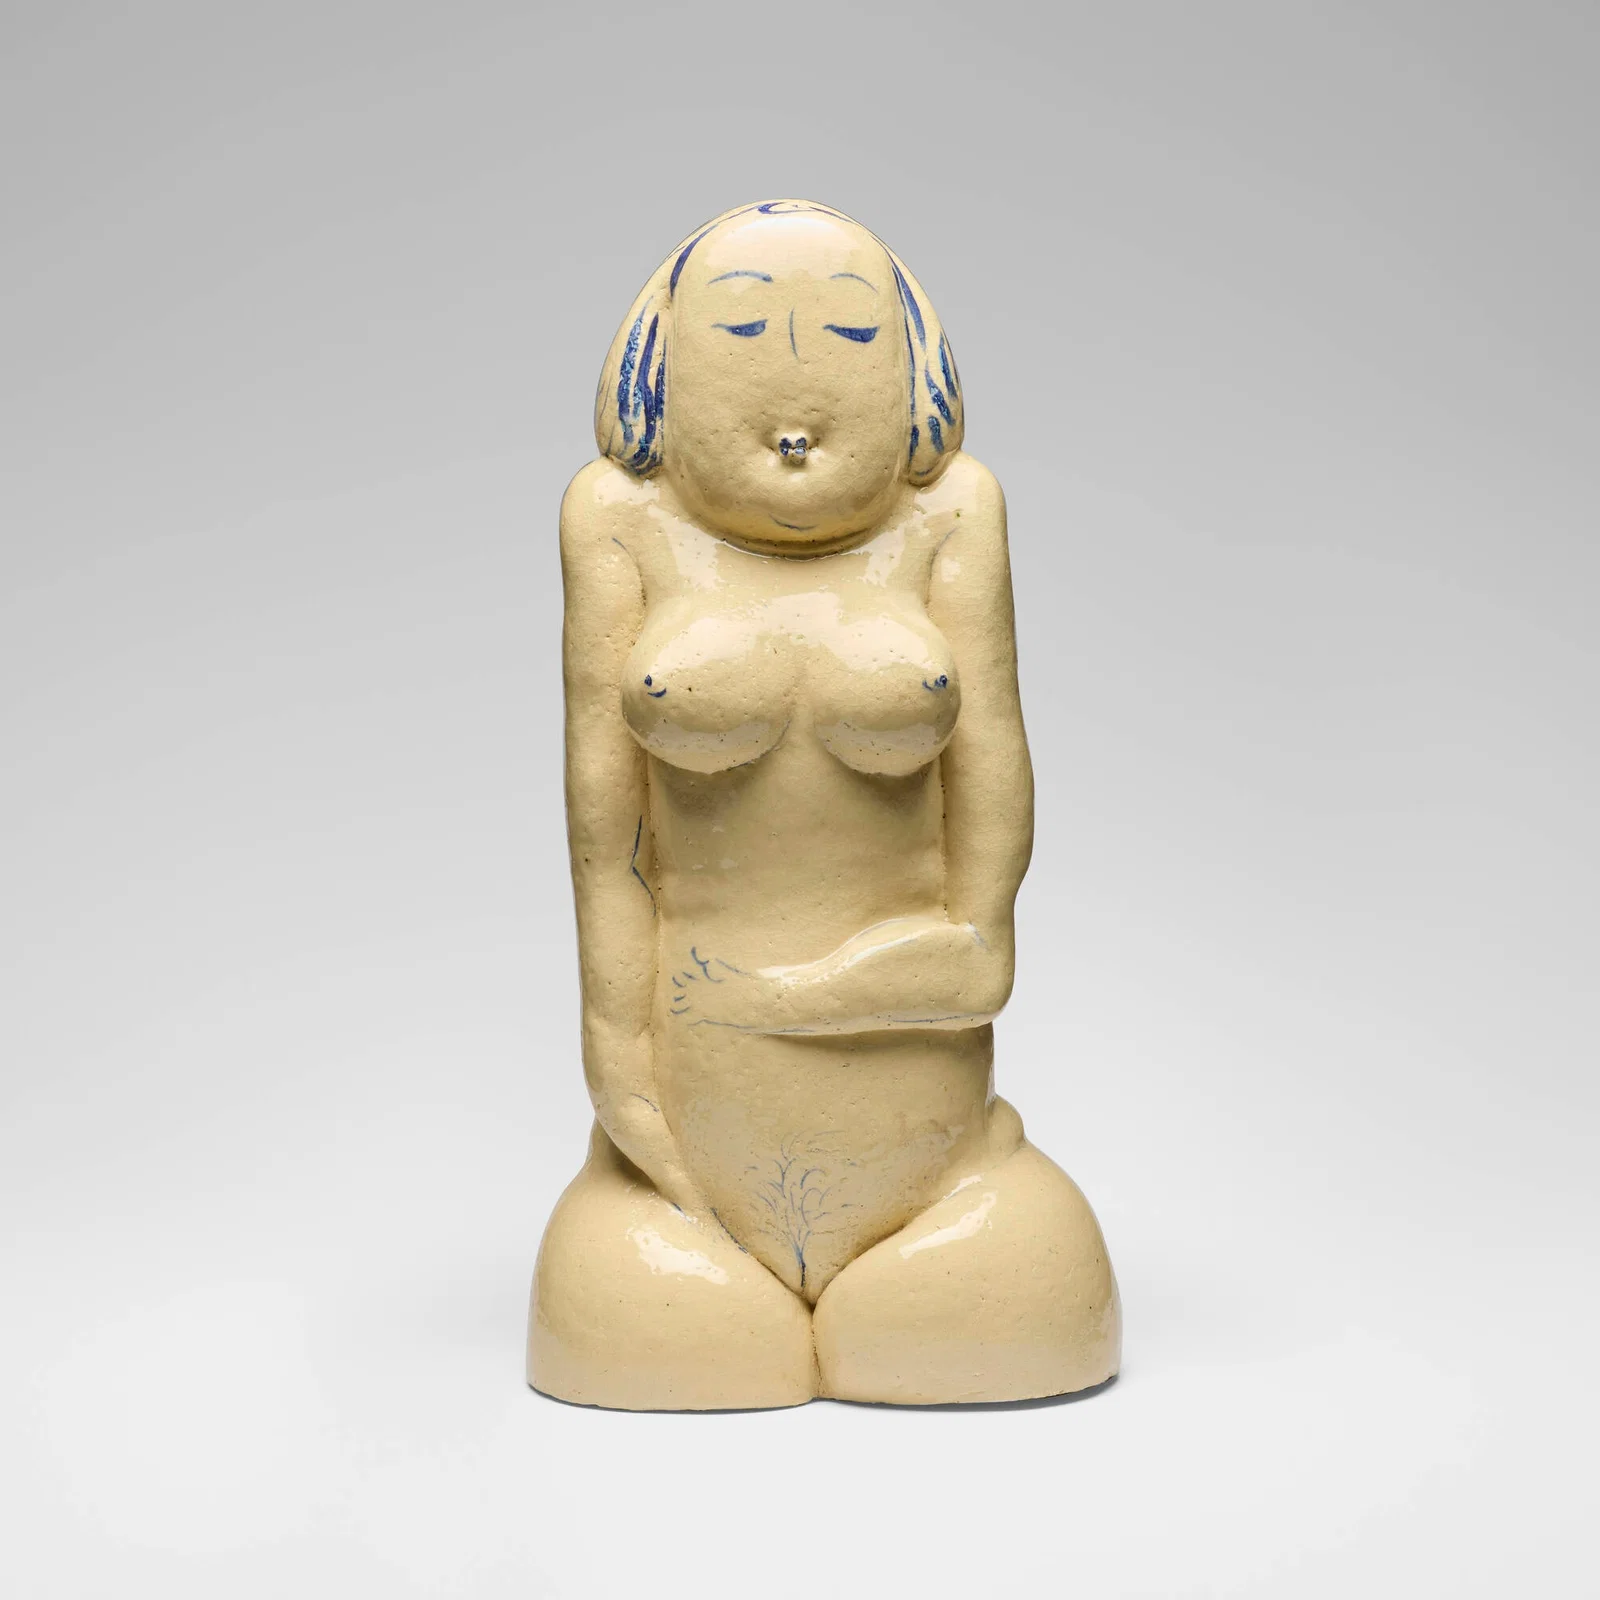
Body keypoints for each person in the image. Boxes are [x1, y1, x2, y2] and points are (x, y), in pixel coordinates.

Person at [529, 200, 1120, 1409]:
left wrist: (837, 989)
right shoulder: (620, 521)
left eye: (851, 335)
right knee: (649, 1319)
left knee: (1015, 1293)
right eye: (743, 333)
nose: (795, 393)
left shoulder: (951, 516)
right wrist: (621, 1078)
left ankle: (926, 1264)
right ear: (660, 370)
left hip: (934, 1143)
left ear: (910, 370)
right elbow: (605, 846)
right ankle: (696, 1263)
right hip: (691, 1141)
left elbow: (990, 841)